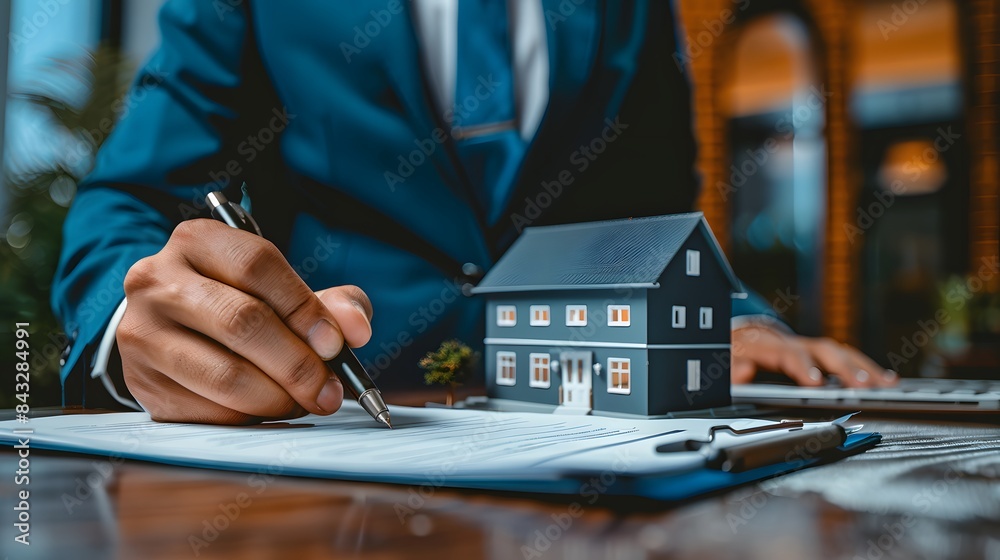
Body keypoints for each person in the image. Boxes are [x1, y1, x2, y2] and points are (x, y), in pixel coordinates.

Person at [52, 0, 895, 425]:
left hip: (592, 460)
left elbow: (650, 214)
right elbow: (128, 199)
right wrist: (139, 326)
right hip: (328, 445)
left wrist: (729, 319)